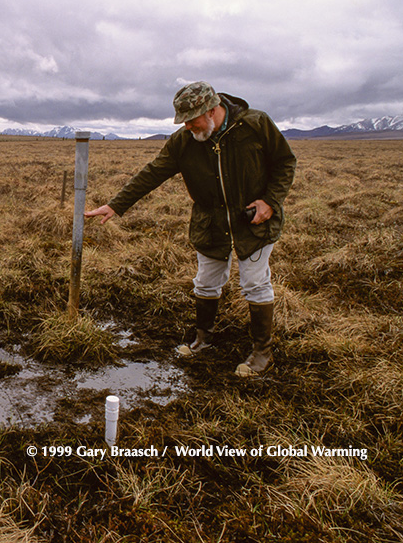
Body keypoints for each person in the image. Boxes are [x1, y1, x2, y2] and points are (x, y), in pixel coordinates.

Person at [85, 81, 296, 377]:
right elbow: (153, 173)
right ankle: (203, 339)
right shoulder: (184, 141)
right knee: (206, 282)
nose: (187, 126)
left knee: (255, 283)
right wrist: (115, 205)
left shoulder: (255, 124)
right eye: (183, 121)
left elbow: (285, 162)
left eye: (191, 119)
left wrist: (270, 202)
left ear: (212, 111)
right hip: (210, 224)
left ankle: (262, 352)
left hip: (254, 222)